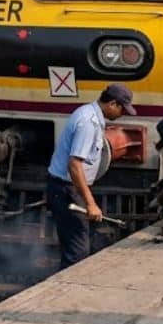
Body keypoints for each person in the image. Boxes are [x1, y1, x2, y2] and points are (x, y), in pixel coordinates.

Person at [46, 84, 135, 269]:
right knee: (77, 251)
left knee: (76, 243)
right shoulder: (89, 122)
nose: (122, 114)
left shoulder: (88, 113)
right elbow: (75, 164)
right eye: (122, 109)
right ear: (112, 104)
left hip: (67, 187)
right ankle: (67, 292)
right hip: (67, 190)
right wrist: (90, 204)